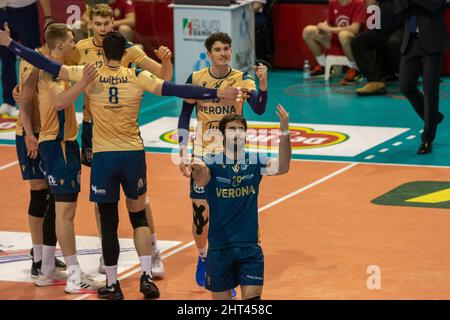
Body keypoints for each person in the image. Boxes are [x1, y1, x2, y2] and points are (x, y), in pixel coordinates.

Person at [0, 27, 242, 298]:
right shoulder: (137, 75)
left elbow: (44, 62)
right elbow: (176, 88)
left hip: (104, 156)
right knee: (138, 216)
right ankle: (147, 276)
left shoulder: (89, 73)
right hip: (132, 154)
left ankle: (113, 285)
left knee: (108, 220)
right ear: (125, 53)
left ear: (103, 52)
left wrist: (11, 44)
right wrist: (217, 94)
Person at [70, 3, 172, 278]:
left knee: (139, 198)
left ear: (113, 25)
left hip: (125, 126)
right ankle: (106, 252)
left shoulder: (127, 49)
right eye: (99, 24)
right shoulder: (80, 50)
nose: (103, 29)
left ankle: (154, 250)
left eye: (108, 24)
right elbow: (61, 75)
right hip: (94, 127)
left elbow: (163, 76)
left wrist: (164, 60)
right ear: (90, 23)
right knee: (101, 197)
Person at [4, 22, 103, 293]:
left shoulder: (50, 67)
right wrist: (83, 83)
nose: (74, 44)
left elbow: (24, 93)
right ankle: (73, 275)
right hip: (58, 144)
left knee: (57, 208)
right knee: (64, 212)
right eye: (71, 40)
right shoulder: (52, 71)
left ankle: (46, 268)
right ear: (60, 44)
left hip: (55, 142)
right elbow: (59, 102)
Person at [177, 32, 268, 297]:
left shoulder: (242, 79)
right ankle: (204, 257)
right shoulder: (196, 79)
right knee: (200, 219)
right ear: (209, 53)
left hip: (233, 156)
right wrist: (184, 151)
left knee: (236, 212)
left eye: (227, 49)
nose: (223, 53)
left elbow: (260, 109)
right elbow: (184, 117)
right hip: (203, 155)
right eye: (218, 49)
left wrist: (262, 85)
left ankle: (236, 267)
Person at [191, 106, 291, 300]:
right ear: (222, 135)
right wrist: (197, 167)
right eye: (231, 129)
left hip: (249, 246)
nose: (236, 133)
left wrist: (284, 130)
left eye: (240, 129)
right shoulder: (211, 162)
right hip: (220, 247)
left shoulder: (254, 160)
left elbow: (284, 167)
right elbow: (201, 180)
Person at [12, 29, 66, 281]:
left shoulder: (57, 59)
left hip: (49, 135)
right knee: (39, 193)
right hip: (32, 134)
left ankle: (46, 251)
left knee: (53, 194)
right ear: (56, 43)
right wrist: (29, 135)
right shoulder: (32, 61)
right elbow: (24, 99)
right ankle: (36, 257)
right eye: (70, 41)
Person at [395, 0, 448, 154]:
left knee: (430, 90)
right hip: (410, 41)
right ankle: (433, 117)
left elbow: (434, 5)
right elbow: (398, 7)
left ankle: (427, 139)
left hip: (432, 41)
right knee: (405, 86)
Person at [0, 0, 53, 116]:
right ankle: (9, 101)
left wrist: (48, 16)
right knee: (5, 57)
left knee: (34, 57)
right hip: (1, 11)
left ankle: (40, 99)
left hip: (25, 10)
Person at [302, 0, 366, 84]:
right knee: (308, 31)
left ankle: (356, 70)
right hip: (335, 40)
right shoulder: (333, 2)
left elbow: (355, 28)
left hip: (352, 42)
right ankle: (323, 66)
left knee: (343, 35)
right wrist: (323, 26)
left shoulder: (358, 3)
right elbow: (330, 23)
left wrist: (330, 29)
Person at [351, 0, 406, 95]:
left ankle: (407, 75)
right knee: (357, 42)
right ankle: (374, 81)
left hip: (401, 28)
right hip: (382, 29)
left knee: (394, 42)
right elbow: (370, 6)